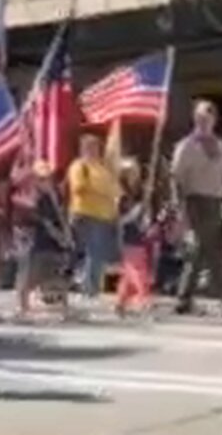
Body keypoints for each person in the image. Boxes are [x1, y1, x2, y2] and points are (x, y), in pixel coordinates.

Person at [170, 99, 222, 316]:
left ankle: (184, 299)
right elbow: (176, 178)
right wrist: (178, 207)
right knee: (212, 249)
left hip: (216, 200)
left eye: (209, 118)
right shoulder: (186, 146)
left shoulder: (218, 145)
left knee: (201, 251)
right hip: (195, 200)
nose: (204, 122)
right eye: (201, 118)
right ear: (194, 119)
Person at [15, 159, 73, 320]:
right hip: (38, 242)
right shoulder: (36, 198)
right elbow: (46, 223)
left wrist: (66, 235)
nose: (46, 182)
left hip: (53, 243)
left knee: (58, 274)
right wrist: (61, 237)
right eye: (41, 179)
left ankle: (64, 307)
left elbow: (62, 218)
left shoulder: (56, 196)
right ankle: (23, 307)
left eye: (48, 178)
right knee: (31, 276)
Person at [66, 134, 120, 299]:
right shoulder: (79, 166)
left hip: (105, 217)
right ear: (83, 149)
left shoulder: (103, 169)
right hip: (86, 214)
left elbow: (115, 190)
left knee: (98, 254)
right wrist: (100, 192)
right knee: (93, 252)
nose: (94, 150)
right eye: (90, 147)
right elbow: (78, 188)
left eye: (96, 147)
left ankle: (92, 287)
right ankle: (89, 289)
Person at [115, 160, 153, 317]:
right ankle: (144, 299)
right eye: (132, 172)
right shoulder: (121, 196)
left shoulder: (138, 194)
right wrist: (135, 213)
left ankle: (121, 302)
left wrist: (146, 216)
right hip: (128, 238)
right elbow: (120, 219)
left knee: (130, 273)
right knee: (138, 270)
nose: (135, 175)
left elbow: (143, 217)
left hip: (139, 236)